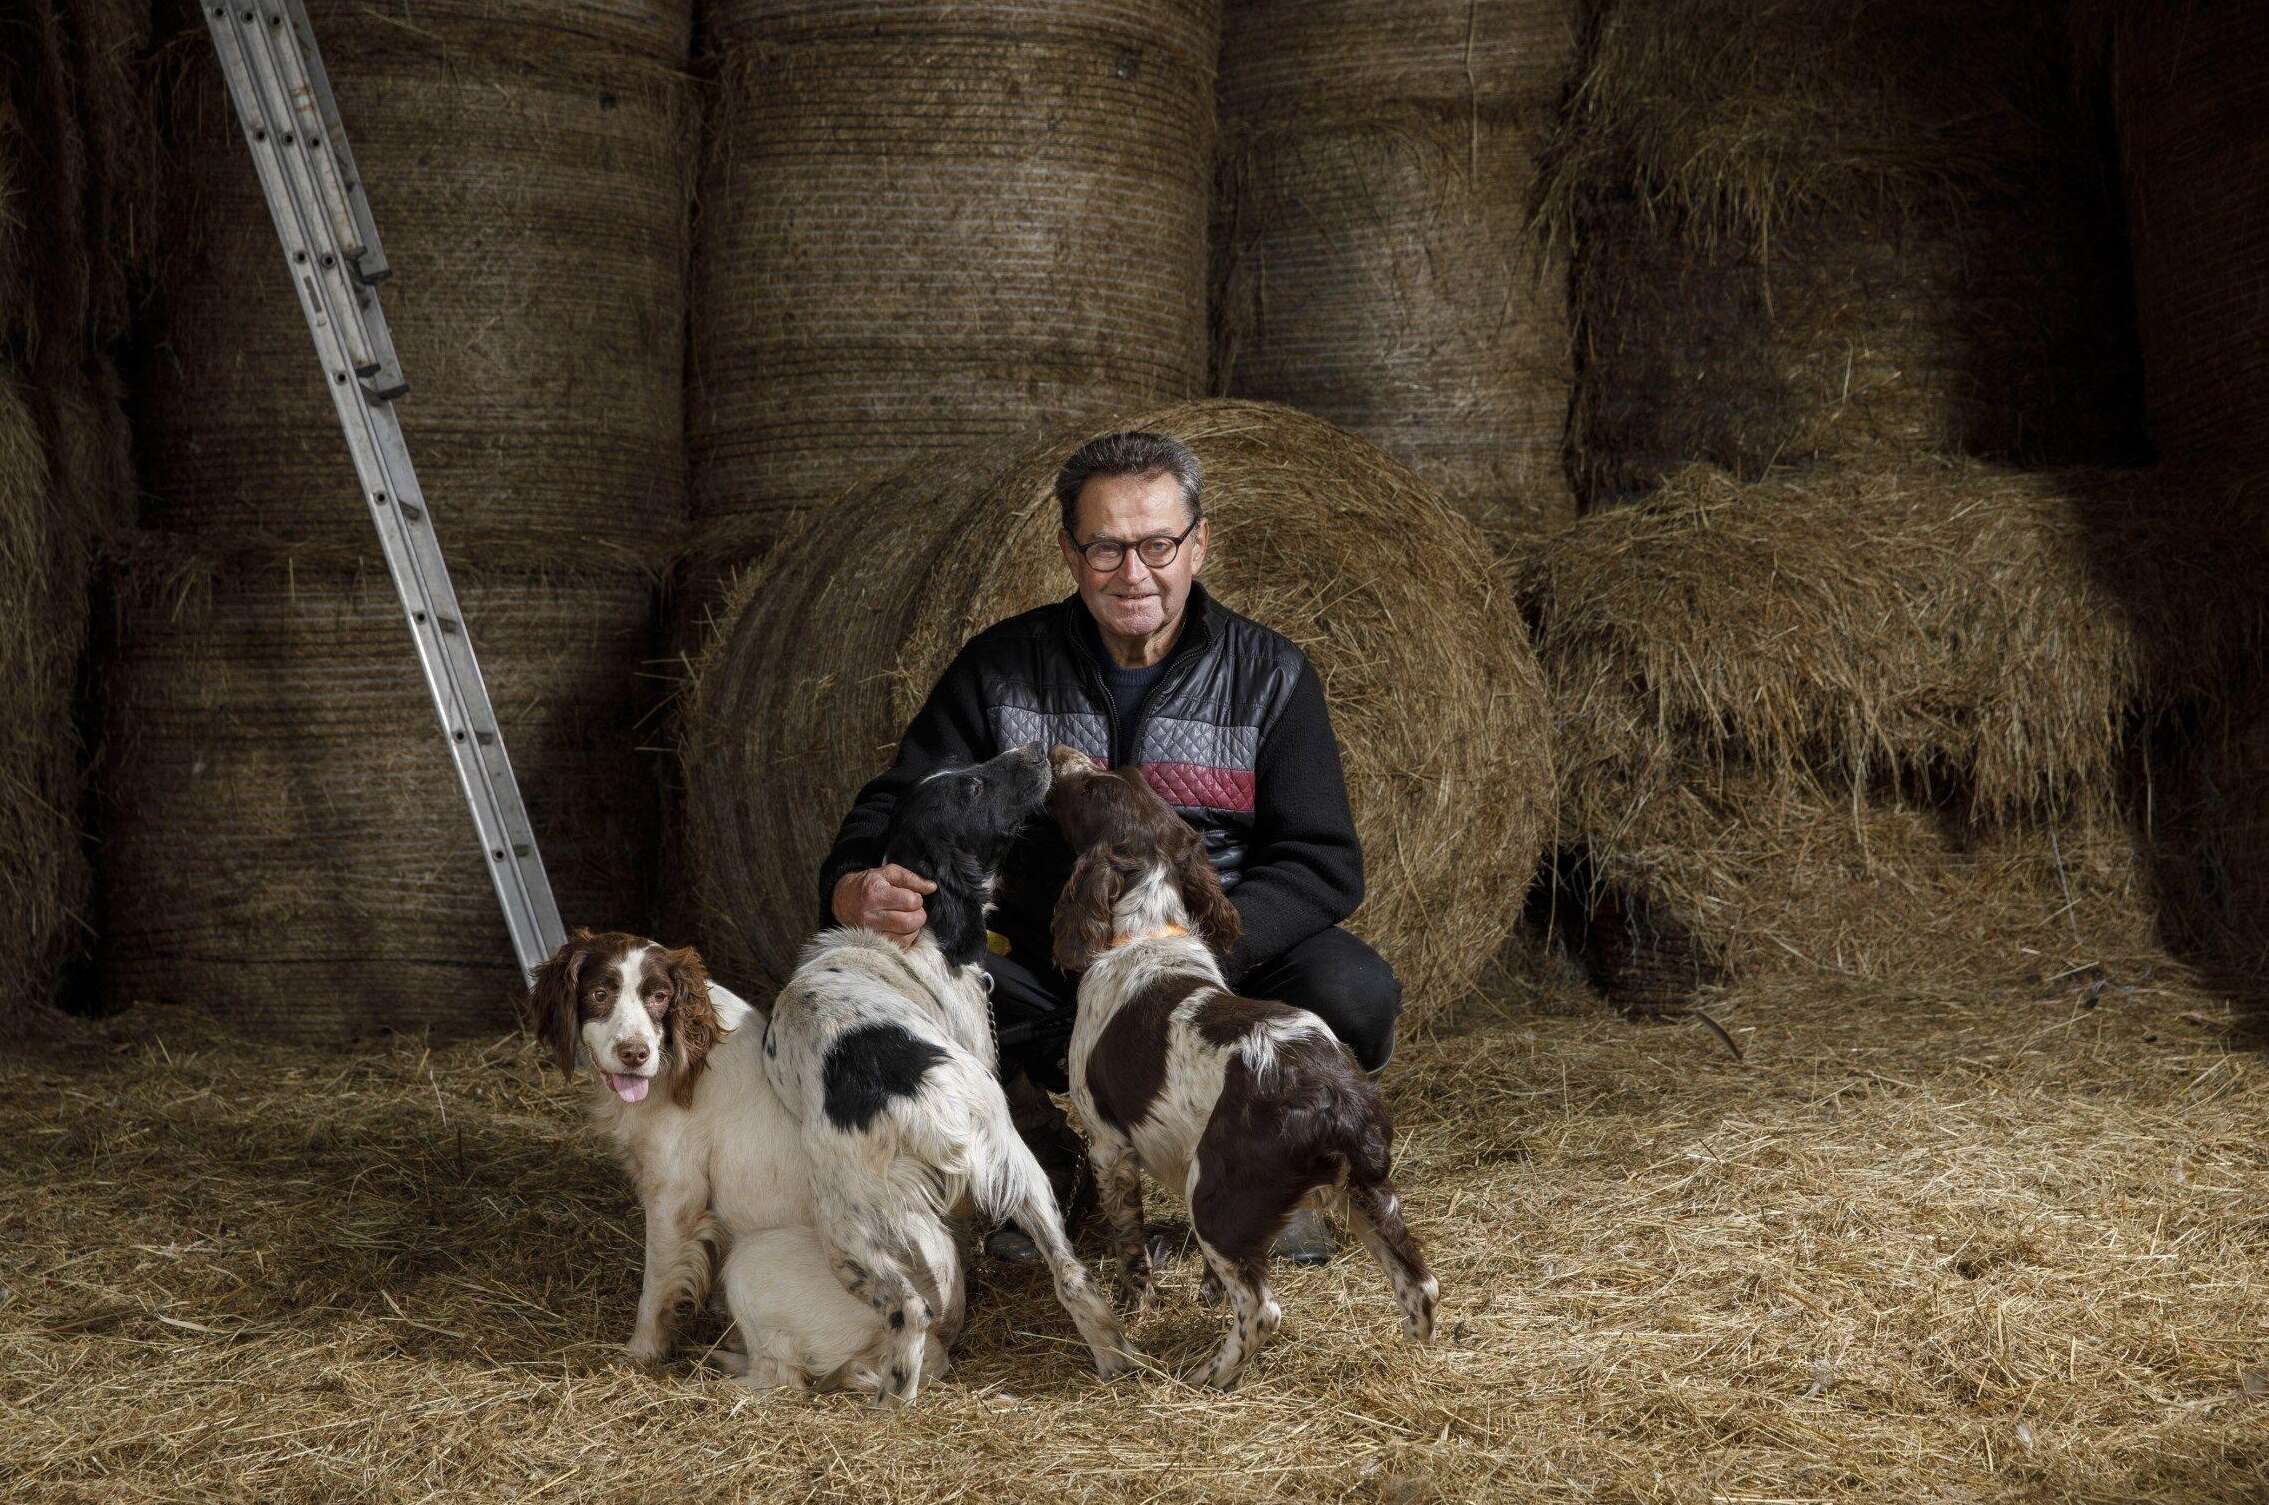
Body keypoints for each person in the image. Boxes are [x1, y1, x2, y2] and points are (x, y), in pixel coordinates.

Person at [817, 430, 1400, 1263]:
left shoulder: (1271, 676)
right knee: (929, 973)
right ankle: (1040, 1163)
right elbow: (903, 801)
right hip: (1051, 964)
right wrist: (851, 884)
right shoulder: (1001, 669)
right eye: (1105, 548)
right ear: (1068, 550)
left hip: (1214, 965)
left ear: (1199, 543)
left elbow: (1322, 862)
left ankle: (1277, 1161)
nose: (1134, 573)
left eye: (1157, 544)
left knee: (1354, 987)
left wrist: (1189, 952)